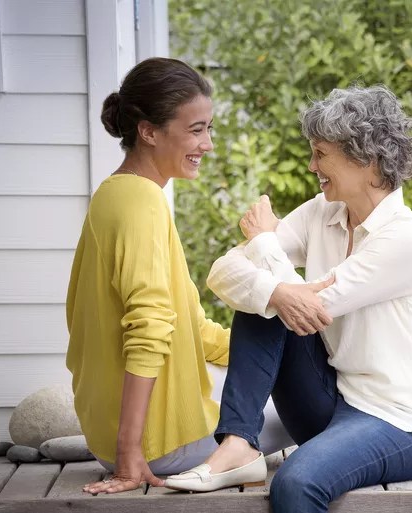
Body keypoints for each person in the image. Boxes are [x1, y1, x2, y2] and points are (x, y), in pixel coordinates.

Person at [165, 85, 412, 512]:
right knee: (268, 293)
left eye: (321, 153)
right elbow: (221, 272)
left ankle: (243, 446)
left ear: (366, 159)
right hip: (329, 400)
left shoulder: (407, 238)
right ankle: (239, 443)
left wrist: (264, 244)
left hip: (401, 423)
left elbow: (315, 309)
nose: (312, 164)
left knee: (295, 484)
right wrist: (273, 281)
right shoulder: (323, 211)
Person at [65, 57, 292, 495]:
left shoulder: (113, 194)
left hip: (113, 439)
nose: (207, 144)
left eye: (209, 128)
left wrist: (265, 356)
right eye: (195, 129)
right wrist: (131, 455)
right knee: (317, 411)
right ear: (148, 131)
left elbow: (189, 328)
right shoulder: (142, 203)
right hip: (158, 446)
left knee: (279, 358)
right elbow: (148, 326)